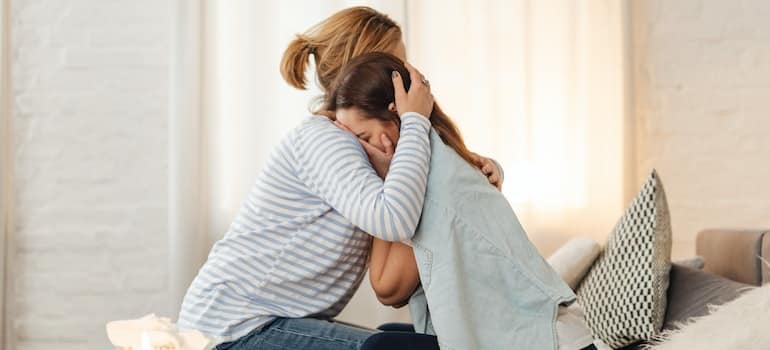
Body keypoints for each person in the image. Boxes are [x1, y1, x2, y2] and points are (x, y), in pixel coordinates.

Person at [178, 6, 500, 350]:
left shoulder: (365, 144)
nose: (408, 78)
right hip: (233, 328)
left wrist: (484, 166)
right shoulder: (325, 140)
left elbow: (422, 190)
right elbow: (393, 219)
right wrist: (417, 121)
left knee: (408, 340)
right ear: (364, 72)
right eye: (398, 68)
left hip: (268, 321)